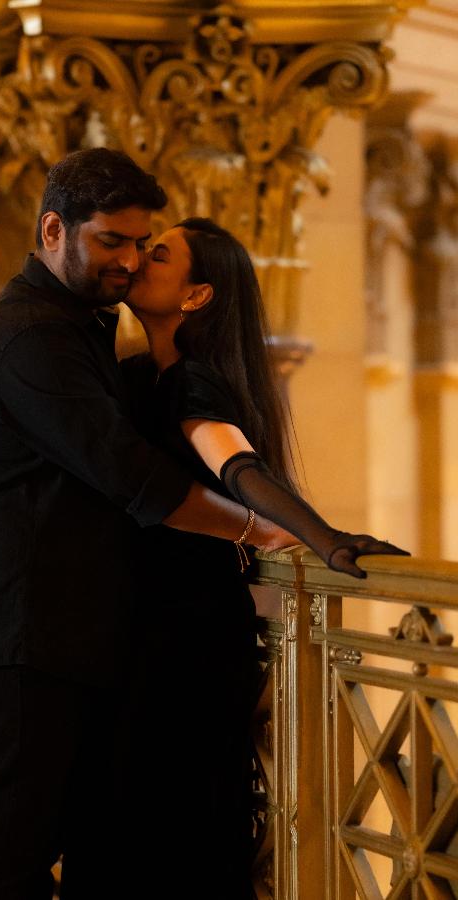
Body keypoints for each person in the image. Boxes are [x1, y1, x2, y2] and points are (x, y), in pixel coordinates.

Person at [0, 150, 298, 900]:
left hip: (51, 638)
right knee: (4, 866)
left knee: (42, 854)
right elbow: (133, 476)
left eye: (141, 243)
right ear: (52, 230)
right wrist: (257, 530)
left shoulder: (79, 326)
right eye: (111, 241)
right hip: (18, 639)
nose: (128, 260)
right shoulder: (33, 336)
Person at [116, 217, 410, 898]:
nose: (137, 260)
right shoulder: (136, 376)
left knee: (185, 828)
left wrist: (324, 538)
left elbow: (239, 467)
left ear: (196, 296)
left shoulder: (191, 382)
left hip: (188, 639)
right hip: (150, 630)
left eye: (158, 255)